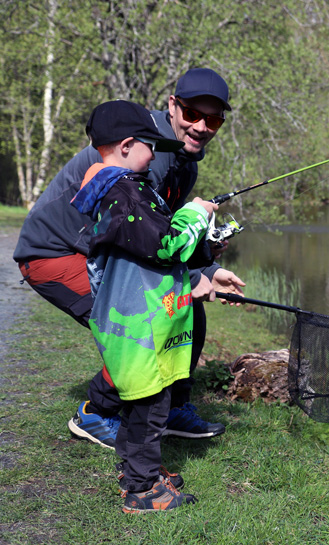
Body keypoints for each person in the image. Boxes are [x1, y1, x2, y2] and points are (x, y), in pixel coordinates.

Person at [13, 68, 245, 447]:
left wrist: (208, 269)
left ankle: (170, 408)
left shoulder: (182, 158)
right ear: (173, 106)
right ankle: (96, 413)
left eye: (214, 119)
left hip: (100, 249)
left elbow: (163, 231)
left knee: (183, 308)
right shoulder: (142, 152)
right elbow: (142, 242)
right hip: (51, 254)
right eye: (192, 114)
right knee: (141, 323)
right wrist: (190, 278)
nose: (202, 126)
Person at [73, 99, 215, 512]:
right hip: (138, 328)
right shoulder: (125, 194)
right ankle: (140, 490)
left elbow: (154, 250)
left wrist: (206, 242)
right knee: (150, 409)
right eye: (150, 146)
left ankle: (142, 470)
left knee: (144, 406)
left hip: (140, 321)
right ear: (127, 145)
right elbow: (167, 244)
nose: (154, 155)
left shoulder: (120, 191)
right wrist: (192, 214)